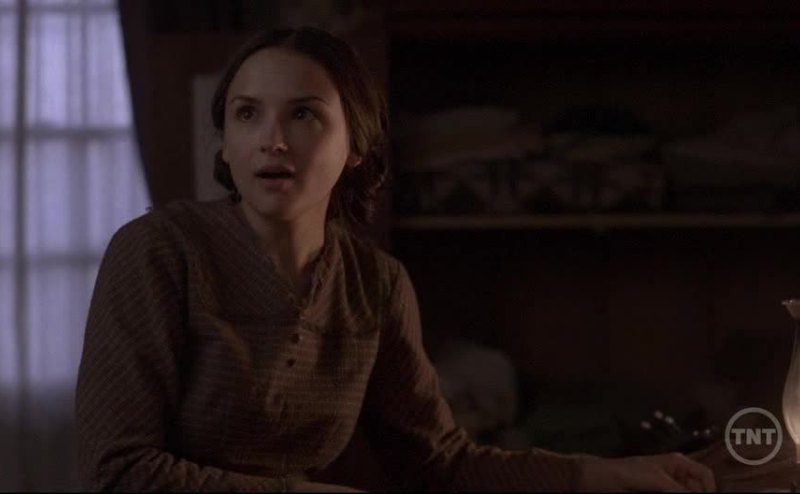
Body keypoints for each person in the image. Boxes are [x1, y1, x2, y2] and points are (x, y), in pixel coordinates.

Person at [74, 26, 716, 492]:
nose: (272, 140)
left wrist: (599, 475)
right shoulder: (159, 252)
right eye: (247, 114)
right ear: (226, 141)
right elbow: (118, 470)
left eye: (303, 115)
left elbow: (440, 464)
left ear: (355, 144)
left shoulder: (374, 284)